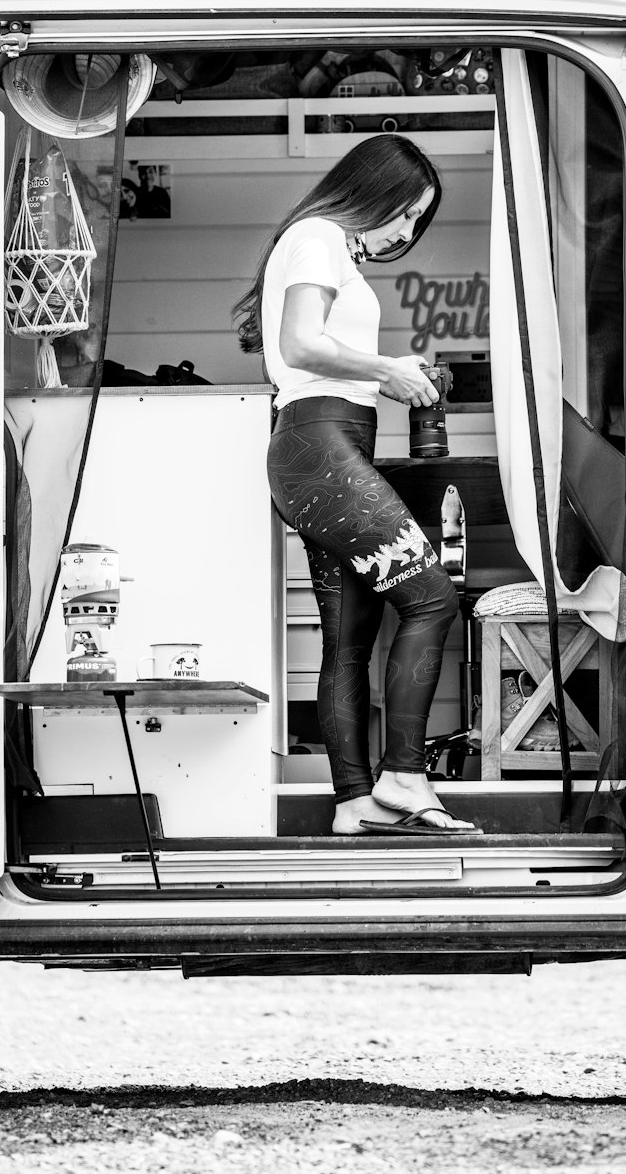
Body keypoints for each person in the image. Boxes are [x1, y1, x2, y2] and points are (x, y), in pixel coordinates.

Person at [233, 135, 476, 836]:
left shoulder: (324, 246)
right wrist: (387, 370)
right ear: (375, 186)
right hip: (320, 445)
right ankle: (402, 775)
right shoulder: (318, 237)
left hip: (322, 447)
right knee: (431, 599)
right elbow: (303, 342)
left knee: (350, 637)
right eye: (407, 213)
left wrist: (383, 373)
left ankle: (352, 801)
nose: (406, 232)